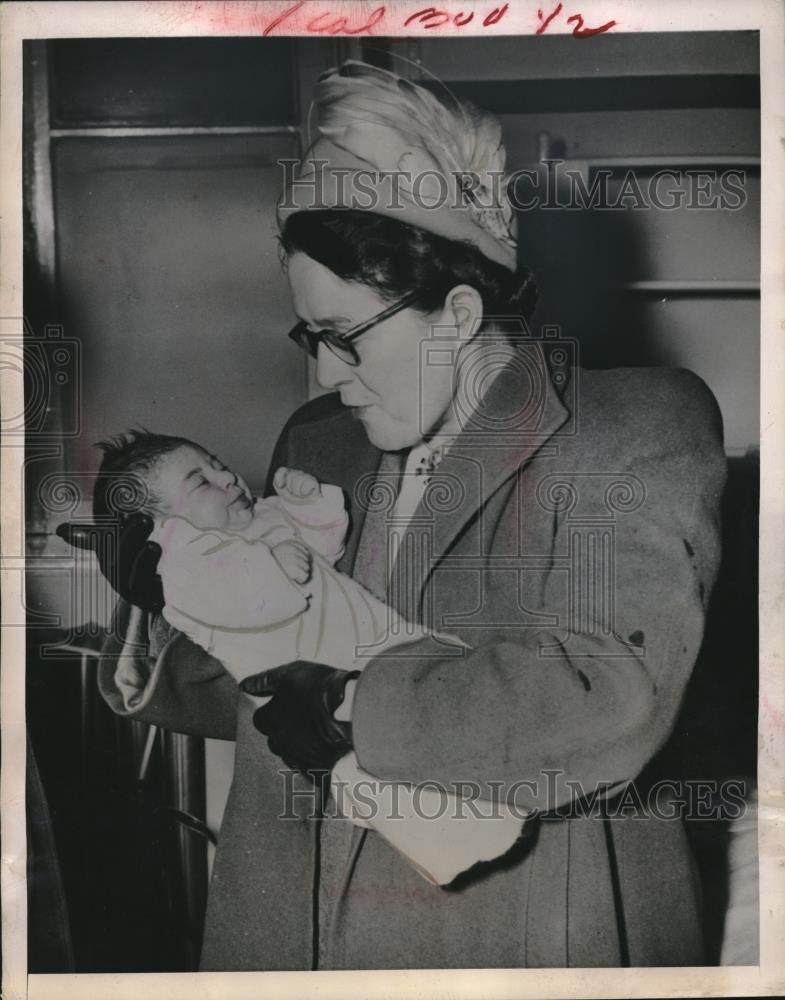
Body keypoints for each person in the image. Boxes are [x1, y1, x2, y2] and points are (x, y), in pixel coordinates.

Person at [90, 61, 727, 969]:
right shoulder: (319, 439)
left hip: (517, 919)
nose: (323, 375)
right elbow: (268, 669)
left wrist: (352, 706)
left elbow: (603, 694)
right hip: (292, 907)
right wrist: (153, 592)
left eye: (345, 336)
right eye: (308, 337)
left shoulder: (630, 426)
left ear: (458, 313)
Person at [93, 429, 526, 885]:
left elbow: (327, 544)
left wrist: (308, 504)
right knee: (370, 774)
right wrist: (273, 563)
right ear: (161, 526)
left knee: (436, 703)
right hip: (310, 682)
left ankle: (491, 811)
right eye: (200, 482)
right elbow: (244, 601)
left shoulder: (260, 517)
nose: (226, 478)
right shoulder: (184, 565)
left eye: (216, 463)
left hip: (367, 641)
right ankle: (450, 845)